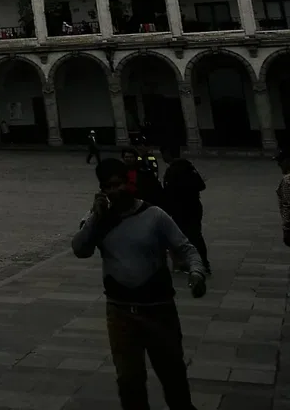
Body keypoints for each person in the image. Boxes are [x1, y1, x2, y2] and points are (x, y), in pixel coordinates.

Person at [73, 157, 205, 410]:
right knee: (129, 380)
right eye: (107, 186)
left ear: (128, 182)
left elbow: (186, 248)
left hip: (158, 309)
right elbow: (80, 249)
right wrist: (94, 219)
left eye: (118, 184)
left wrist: (196, 272)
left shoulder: (154, 216)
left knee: (172, 373)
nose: (114, 190)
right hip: (120, 311)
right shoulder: (100, 219)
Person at [161, 150, 208, 275]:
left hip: (181, 209)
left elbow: (169, 192)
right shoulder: (189, 167)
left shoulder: (173, 171)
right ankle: (201, 263)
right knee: (196, 235)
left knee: (185, 237)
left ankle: (191, 263)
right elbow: (201, 185)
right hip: (194, 206)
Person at [277, 152, 290, 248]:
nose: (279, 165)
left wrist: (287, 228)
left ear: (289, 161)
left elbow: (289, 205)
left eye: (280, 162)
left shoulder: (289, 179)